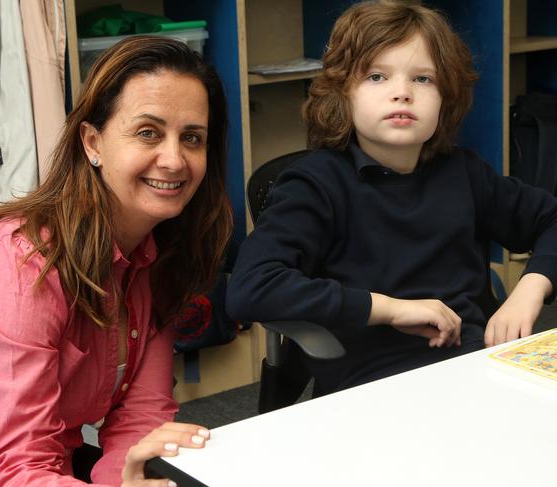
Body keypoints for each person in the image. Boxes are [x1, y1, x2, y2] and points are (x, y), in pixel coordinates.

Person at [0, 36, 232, 486]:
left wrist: (129, 480)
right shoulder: (21, 264)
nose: (175, 159)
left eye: (192, 138)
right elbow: (19, 468)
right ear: (93, 142)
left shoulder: (157, 253)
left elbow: (142, 414)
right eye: (148, 133)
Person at [226, 1, 557, 396]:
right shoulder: (315, 184)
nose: (401, 93)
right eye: (377, 76)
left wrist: (530, 289)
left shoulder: (464, 172)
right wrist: (391, 308)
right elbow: (252, 288)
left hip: (473, 369)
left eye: (422, 79)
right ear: (343, 94)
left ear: (445, 98)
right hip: (370, 387)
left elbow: (550, 220)